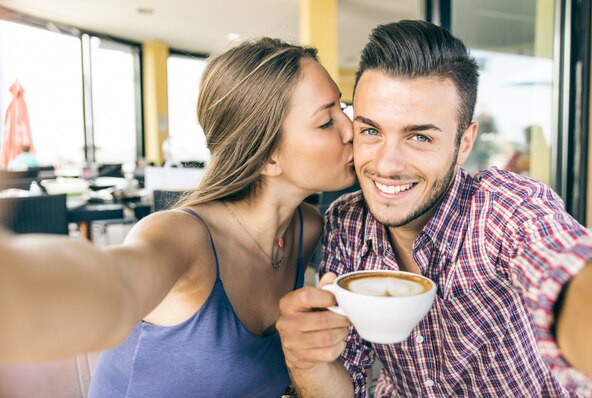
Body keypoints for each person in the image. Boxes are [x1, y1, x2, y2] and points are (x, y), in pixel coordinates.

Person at [276, 20, 592, 397]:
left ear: (464, 143)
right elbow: (347, 385)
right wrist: (308, 360)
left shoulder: (506, 210)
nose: (387, 164)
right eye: (372, 131)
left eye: (420, 136)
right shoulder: (347, 223)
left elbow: (565, 269)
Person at [0, 37, 355, 397]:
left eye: (343, 108)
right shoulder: (183, 236)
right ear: (266, 156)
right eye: (327, 121)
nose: (351, 129)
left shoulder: (306, 227)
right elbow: (114, 284)